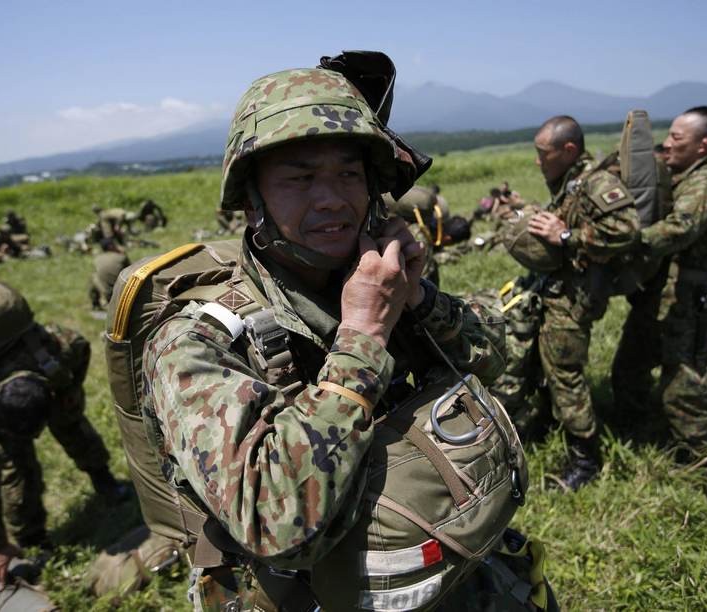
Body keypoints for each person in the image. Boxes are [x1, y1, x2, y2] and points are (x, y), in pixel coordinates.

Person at [135, 63, 537, 611]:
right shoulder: (195, 341)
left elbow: (494, 356)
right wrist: (364, 336)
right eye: (299, 179)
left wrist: (419, 299)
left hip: (441, 558)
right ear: (253, 201)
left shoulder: (374, 275)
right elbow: (275, 525)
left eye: (348, 175)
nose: (331, 199)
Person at [0, 296, 126, 583]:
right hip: (6, 412)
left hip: (49, 392)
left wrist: (71, 391)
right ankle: (34, 540)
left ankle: (104, 480)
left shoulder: (57, 349)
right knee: (17, 469)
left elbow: (81, 346)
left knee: (74, 428)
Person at [612, 106, 707, 463]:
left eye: (676, 138)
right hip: (660, 295)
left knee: (683, 384)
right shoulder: (684, 176)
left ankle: (702, 460)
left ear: (703, 145)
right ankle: (640, 435)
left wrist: (627, 241)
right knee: (629, 368)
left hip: (684, 298)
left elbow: (681, 227)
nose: (666, 144)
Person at [524, 115, 640, 490]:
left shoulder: (597, 183)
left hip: (576, 299)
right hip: (559, 293)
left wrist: (567, 235)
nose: (538, 161)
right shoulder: (572, 183)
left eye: (543, 153)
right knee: (549, 366)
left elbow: (627, 231)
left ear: (568, 150)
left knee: (566, 375)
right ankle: (548, 425)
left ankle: (585, 460)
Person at [90, 239, 130, 311]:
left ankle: (95, 304)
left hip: (106, 291)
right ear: (111, 246)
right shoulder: (121, 257)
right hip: (121, 292)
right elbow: (131, 271)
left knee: (94, 276)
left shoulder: (97, 259)